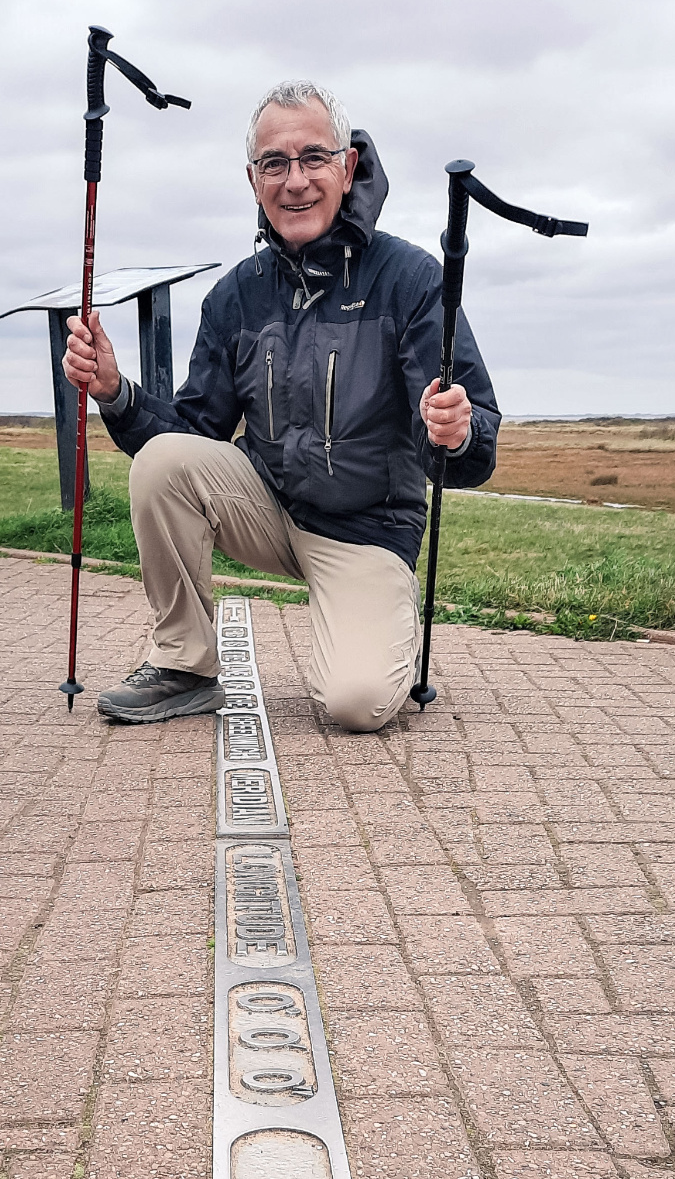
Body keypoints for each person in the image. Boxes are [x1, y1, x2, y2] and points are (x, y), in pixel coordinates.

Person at [62, 79, 500, 731]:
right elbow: (191, 435)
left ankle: (385, 627)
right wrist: (115, 393)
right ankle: (184, 665)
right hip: (267, 508)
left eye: (313, 158)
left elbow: (471, 452)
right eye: (274, 163)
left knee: (357, 706)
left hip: (368, 530)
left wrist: (455, 433)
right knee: (161, 463)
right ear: (253, 180)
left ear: (348, 166)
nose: (294, 180)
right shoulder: (237, 294)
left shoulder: (410, 280)